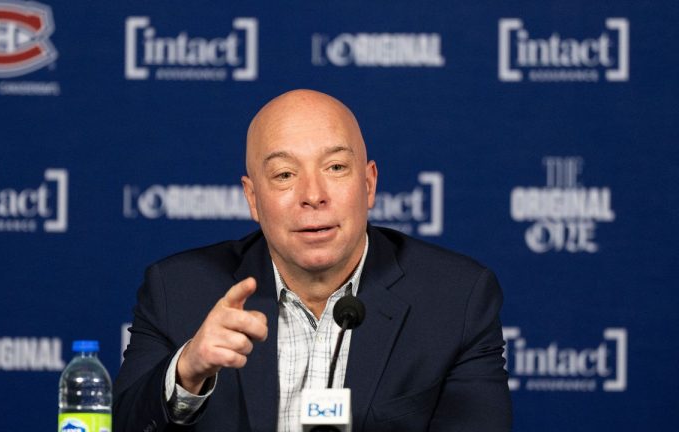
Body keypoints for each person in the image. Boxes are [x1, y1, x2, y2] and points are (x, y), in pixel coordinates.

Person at [113, 89, 512, 432]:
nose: (313, 195)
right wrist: (186, 372)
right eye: (285, 175)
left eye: (336, 167)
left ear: (369, 184)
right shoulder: (179, 290)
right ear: (252, 198)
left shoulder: (455, 298)